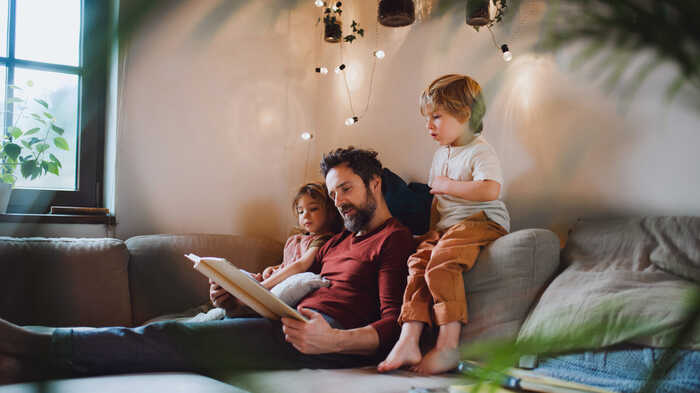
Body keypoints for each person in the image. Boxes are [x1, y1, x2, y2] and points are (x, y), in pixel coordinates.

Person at [0, 147, 415, 384]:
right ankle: (20, 362)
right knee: (185, 327)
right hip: (289, 324)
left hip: (325, 342)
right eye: (333, 192)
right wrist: (235, 296)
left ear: (374, 183)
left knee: (173, 335)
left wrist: (334, 342)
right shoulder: (338, 239)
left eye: (347, 189)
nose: (339, 200)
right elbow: (294, 282)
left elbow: (393, 324)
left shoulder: (394, 240)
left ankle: (32, 344)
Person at [377, 74, 510, 375]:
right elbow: (438, 202)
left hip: (482, 220)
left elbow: (490, 189)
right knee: (418, 262)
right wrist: (430, 232)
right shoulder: (440, 155)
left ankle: (448, 344)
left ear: (465, 113)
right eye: (428, 118)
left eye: (437, 116)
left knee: (441, 264)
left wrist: (449, 185)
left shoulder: (480, 150)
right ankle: (409, 338)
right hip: (449, 226)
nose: (430, 126)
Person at [210, 182, 343, 314]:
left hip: (278, 285)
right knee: (232, 275)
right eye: (300, 211)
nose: (305, 215)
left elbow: (301, 265)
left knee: (242, 288)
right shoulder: (298, 238)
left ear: (330, 211)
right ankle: (225, 301)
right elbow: (289, 262)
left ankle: (238, 304)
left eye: (313, 209)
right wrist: (273, 268)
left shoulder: (322, 239)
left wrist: (262, 287)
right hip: (272, 279)